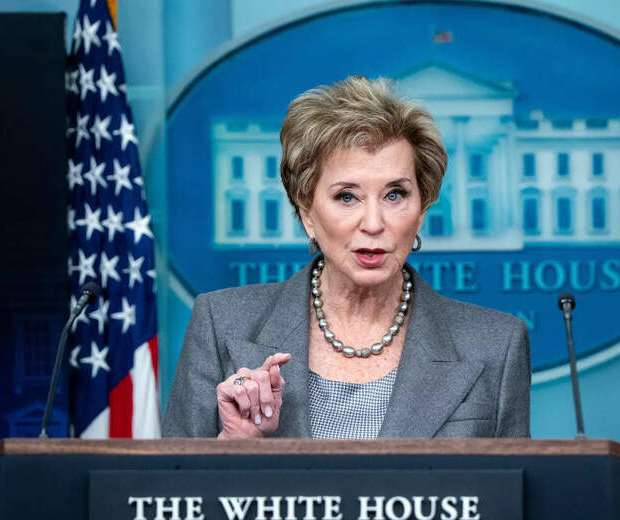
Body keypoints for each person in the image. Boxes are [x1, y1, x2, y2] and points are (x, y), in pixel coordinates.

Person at [162, 76, 530, 439]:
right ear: (307, 213)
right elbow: (175, 479)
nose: (373, 223)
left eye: (395, 195)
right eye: (347, 197)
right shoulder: (221, 324)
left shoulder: (497, 344)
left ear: (421, 210)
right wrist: (237, 445)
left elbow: (513, 480)